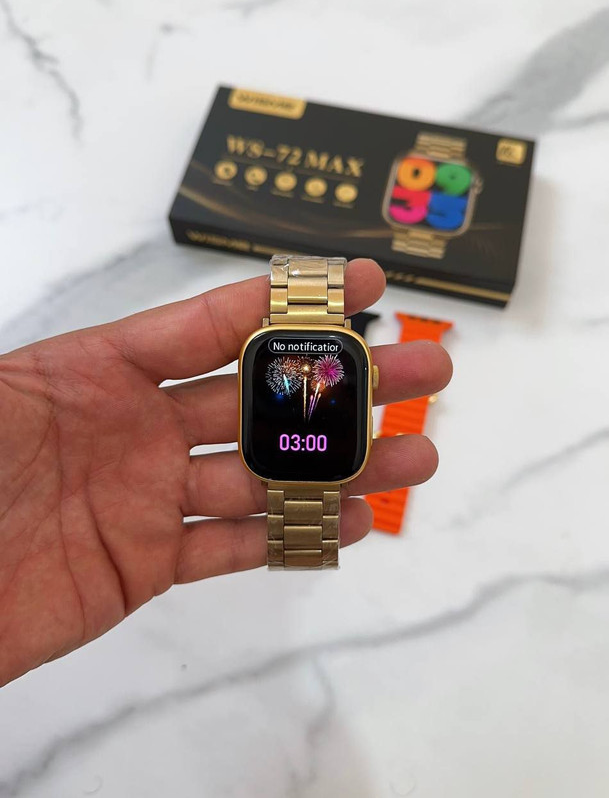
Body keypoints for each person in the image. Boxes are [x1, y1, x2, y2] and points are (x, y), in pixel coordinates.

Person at [0, 260, 452, 686]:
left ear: (368, 379)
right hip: (288, 466)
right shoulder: (307, 363)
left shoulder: (295, 362)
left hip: (299, 465)